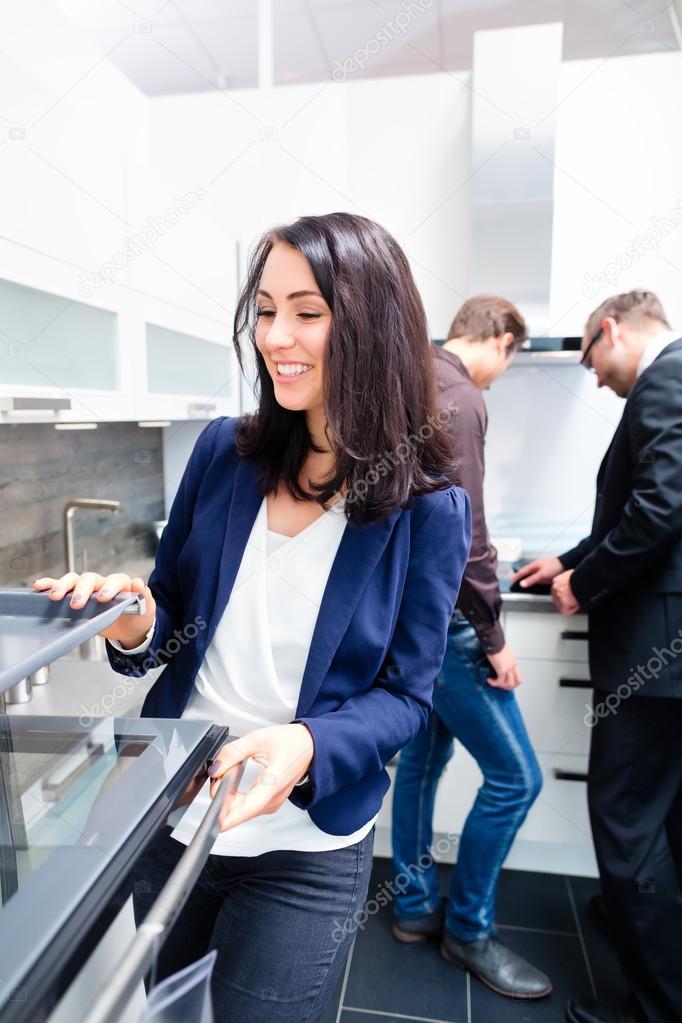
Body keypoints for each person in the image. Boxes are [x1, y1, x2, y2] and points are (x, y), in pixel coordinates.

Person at [33, 212, 472, 1023]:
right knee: (171, 1012)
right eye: (265, 310)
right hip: (175, 812)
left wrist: (303, 743)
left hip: (303, 847)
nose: (276, 335)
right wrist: (132, 615)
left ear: (371, 325)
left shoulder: (428, 510)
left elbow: (406, 698)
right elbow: (168, 622)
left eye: (307, 312)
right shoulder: (221, 454)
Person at [513, 290, 682, 1023]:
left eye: (589, 357)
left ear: (610, 330)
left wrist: (584, 580)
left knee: (625, 821)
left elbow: (663, 509)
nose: (594, 374)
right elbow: (636, 514)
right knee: (661, 823)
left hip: (656, 655)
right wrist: (568, 559)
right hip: (666, 656)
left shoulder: (667, 379)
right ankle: (650, 941)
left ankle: (653, 1006)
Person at [391, 296, 551, 1000]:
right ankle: (469, 929)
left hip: (407, 618)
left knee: (421, 762)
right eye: (507, 363)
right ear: (504, 340)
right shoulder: (459, 394)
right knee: (517, 778)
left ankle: (411, 906)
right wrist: (493, 638)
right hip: (451, 623)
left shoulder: (409, 376)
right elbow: (469, 530)